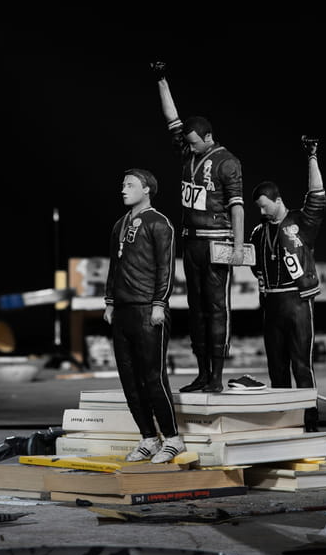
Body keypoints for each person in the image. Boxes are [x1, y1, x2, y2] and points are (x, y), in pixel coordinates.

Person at [150, 61, 246, 394]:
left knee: (217, 308)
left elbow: (237, 204)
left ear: (208, 137)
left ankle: (217, 376)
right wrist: (162, 79)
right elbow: (171, 118)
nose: (188, 146)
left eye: (193, 142)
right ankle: (202, 373)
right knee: (195, 310)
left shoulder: (228, 162)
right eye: (187, 143)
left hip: (216, 242)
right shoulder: (188, 153)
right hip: (190, 243)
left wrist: (237, 245)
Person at [103, 168, 184, 462]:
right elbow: (114, 266)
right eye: (122, 184)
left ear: (147, 189)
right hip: (123, 310)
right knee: (129, 378)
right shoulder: (118, 225)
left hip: (148, 309)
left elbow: (167, 267)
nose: (123, 189)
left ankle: (173, 438)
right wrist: (110, 302)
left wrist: (160, 303)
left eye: (130, 185)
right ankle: (149, 437)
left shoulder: (160, 223)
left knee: (153, 376)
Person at [249, 135, 326, 431]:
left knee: (301, 365)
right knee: (276, 368)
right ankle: (284, 424)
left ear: (278, 200)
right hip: (272, 305)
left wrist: (312, 158)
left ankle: (310, 422)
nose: (262, 211)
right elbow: (255, 264)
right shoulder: (257, 232)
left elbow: (317, 196)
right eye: (258, 207)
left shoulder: (300, 222)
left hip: (297, 300)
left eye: (266, 205)